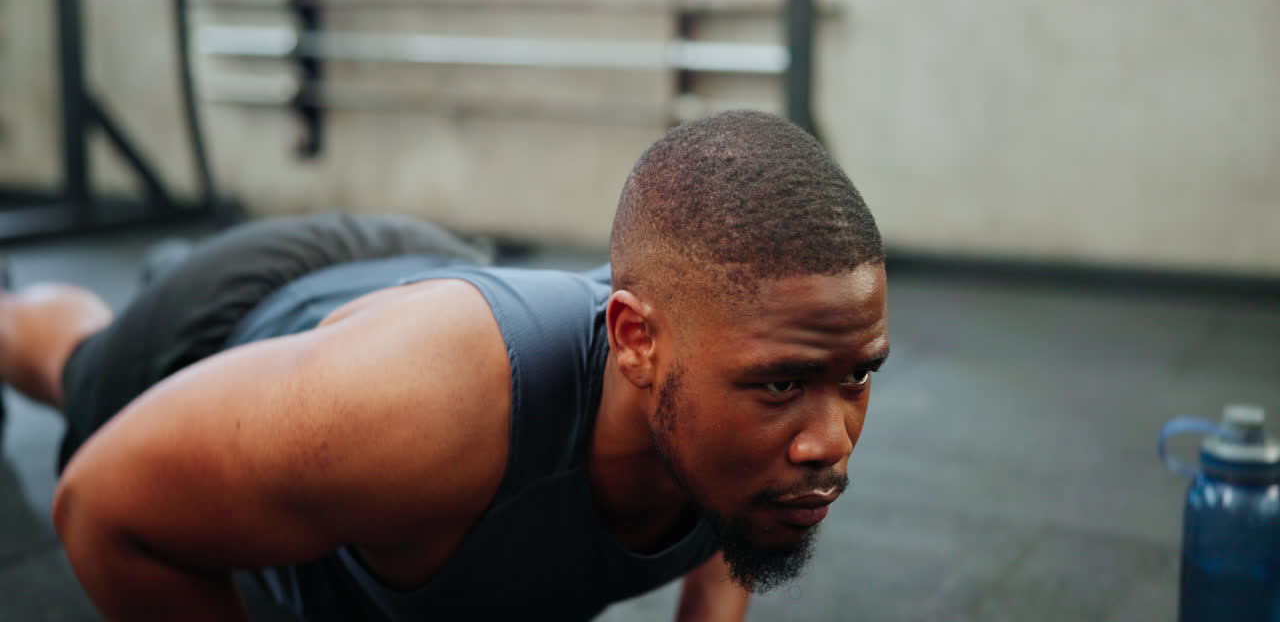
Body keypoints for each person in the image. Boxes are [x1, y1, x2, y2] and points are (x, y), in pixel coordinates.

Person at [0, 110, 890, 621]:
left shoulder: (751, 392)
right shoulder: (414, 413)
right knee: (75, 362)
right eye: (780, 384)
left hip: (423, 280)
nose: (830, 443)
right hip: (251, 317)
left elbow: (734, 524)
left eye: (857, 377)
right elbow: (101, 509)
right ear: (635, 346)